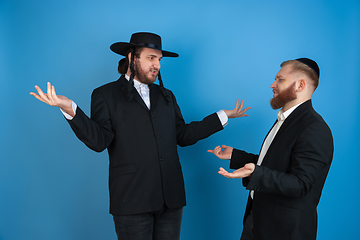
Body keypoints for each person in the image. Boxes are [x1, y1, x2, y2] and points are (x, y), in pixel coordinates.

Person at [30, 32, 251, 240]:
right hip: (131, 199)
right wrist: (70, 108)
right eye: (151, 58)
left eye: (160, 59)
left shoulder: (166, 95)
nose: (157, 65)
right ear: (131, 58)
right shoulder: (104, 95)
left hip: (171, 199)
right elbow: (100, 141)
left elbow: (182, 135)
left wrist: (223, 116)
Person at [208, 58, 333, 240]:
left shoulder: (314, 128)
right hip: (257, 221)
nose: (272, 85)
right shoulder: (285, 119)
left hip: (283, 231)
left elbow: (301, 184)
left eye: (280, 79)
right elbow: (278, 163)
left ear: (300, 85)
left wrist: (255, 173)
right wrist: (236, 156)